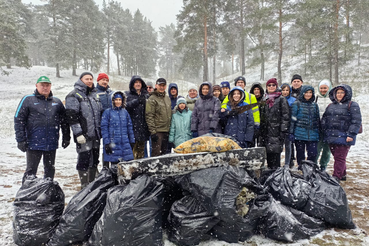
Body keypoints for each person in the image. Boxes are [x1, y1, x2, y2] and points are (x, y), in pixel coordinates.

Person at [14, 76, 70, 183]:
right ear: (36, 86)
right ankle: (26, 193)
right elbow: (19, 120)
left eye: (47, 85)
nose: (45, 88)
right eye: (42, 85)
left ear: (50, 86)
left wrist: (66, 137)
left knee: (50, 170)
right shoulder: (28, 100)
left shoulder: (57, 102)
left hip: (51, 143)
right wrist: (20, 140)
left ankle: (48, 192)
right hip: (33, 142)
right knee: (31, 171)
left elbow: (64, 121)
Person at [65, 72, 102, 189]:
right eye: (87, 79)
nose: (90, 81)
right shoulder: (73, 95)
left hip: (95, 134)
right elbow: (72, 116)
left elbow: (99, 113)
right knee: (84, 160)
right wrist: (78, 133)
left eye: (91, 79)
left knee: (95, 159)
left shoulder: (94, 95)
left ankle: (92, 183)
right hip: (84, 135)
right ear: (81, 80)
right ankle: (84, 185)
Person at [321, 84, 362, 182]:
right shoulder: (331, 105)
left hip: (344, 136)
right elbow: (325, 118)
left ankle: (336, 177)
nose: (339, 94)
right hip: (331, 136)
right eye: (338, 92)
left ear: (346, 93)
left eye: (342, 92)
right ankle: (342, 174)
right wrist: (323, 128)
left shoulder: (352, 105)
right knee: (337, 157)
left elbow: (356, 121)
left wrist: (351, 134)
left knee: (340, 157)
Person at [259, 78, 290, 169]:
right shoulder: (264, 99)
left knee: (276, 159)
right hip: (266, 134)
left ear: (276, 86)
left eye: (273, 85)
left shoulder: (281, 99)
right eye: (269, 85)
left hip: (276, 133)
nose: (271, 87)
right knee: (268, 158)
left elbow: (285, 116)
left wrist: (282, 131)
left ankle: (276, 178)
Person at [290, 85, 320, 169]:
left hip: (313, 134)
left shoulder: (315, 105)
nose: (308, 94)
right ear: (302, 93)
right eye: (306, 92)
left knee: (313, 153)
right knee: (300, 153)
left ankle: (310, 168)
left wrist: (319, 132)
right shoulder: (297, 104)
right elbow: (292, 120)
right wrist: (291, 132)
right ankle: (301, 168)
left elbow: (317, 120)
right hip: (299, 134)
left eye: (310, 92)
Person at [101, 91, 135, 166]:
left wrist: (132, 140)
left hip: (125, 143)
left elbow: (129, 127)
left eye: (120, 100)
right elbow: (104, 128)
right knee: (115, 167)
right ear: (112, 100)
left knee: (126, 167)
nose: (118, 101)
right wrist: (107, 143)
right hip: (113, 144)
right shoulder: (107, 112)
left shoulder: (125, 112)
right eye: (116, 100)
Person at [125, 75, 150, 159]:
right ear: (132, 84)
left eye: (139, 82)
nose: (138, 84)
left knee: (141, 154)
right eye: (136, 82)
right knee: (131, 154)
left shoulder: (146, 95)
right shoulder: (127, 95)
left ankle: (140, 171)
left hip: (143, 129)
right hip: (132, 128)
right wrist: (137, 101)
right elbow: (125, 107)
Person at [146, 78, 172, 157]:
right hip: (158, 131)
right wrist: (153, 132)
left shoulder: (167, 98)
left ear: (166, 86)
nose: (162, 87)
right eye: (160, 85)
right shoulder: (152, 99)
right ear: (156, 86)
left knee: (164, 154)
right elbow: (149, 115)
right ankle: (154, 169)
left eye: (163, 85)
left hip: (166, 130)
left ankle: (163, 169)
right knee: (156, 154)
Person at [315, 79, 332, 171]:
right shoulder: (316, 98)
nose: (323, 90)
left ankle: (323, 165)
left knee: (327, 149)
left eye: (325, 88)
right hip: (318, 127)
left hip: (329, 128)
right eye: (321, 88)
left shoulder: (333, 98)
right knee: (317, 148)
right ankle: (314, 164)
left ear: (329, 88)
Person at [280, 83, 296, 167]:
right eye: (283, 90)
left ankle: (287, 163)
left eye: (287, 90)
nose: (285, 92)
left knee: (288, 145)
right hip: (280, 126)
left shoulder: (293, 101)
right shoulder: (278, 99)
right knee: (279, 146)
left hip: (289, 125)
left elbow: (294, 115)